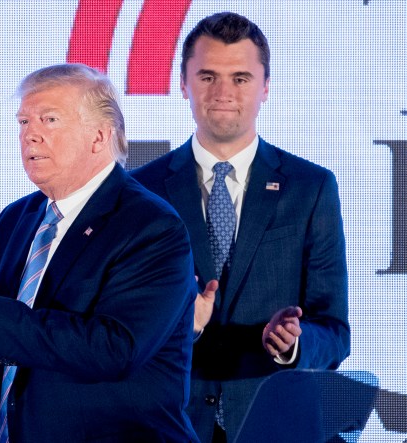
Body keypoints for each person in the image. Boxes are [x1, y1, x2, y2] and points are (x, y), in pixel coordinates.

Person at [0, 63, 199, 443]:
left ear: (98, 137)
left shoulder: (150, 225)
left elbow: (116, 349)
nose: (31, 135)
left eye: (49, 119)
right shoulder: (18, 218)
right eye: (24, 122)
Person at [131, 12, 350, 443]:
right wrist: (181, 325)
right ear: (182, 83)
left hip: (276, 425)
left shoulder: (311, 187)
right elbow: (120, 331)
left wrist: (293, 345)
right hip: (169, 425)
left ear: (266, 87)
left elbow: (335, 332)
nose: (223, 93)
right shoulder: (141, 190)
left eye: (241, 78)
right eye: (208, 76)